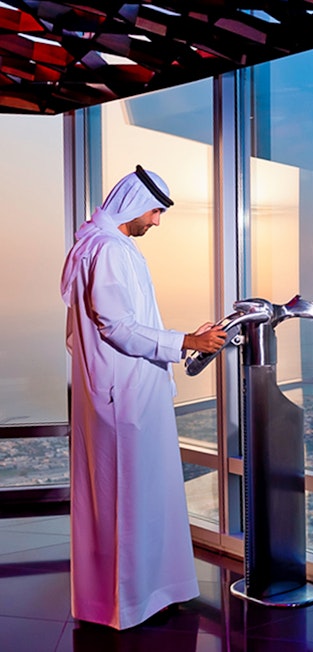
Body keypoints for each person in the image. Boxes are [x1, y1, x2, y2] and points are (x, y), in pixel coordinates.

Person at [59, 165, 227, 629]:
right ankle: (131, 602)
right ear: (133, 204)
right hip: (124, 398)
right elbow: (116, 326)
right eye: (155, 211)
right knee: (130, 502)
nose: (156, 222)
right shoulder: (110, 249)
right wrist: (186, 342)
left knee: (135, 500)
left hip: (117, 393)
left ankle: (141, 596)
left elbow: (80, 334)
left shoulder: (97, 245)